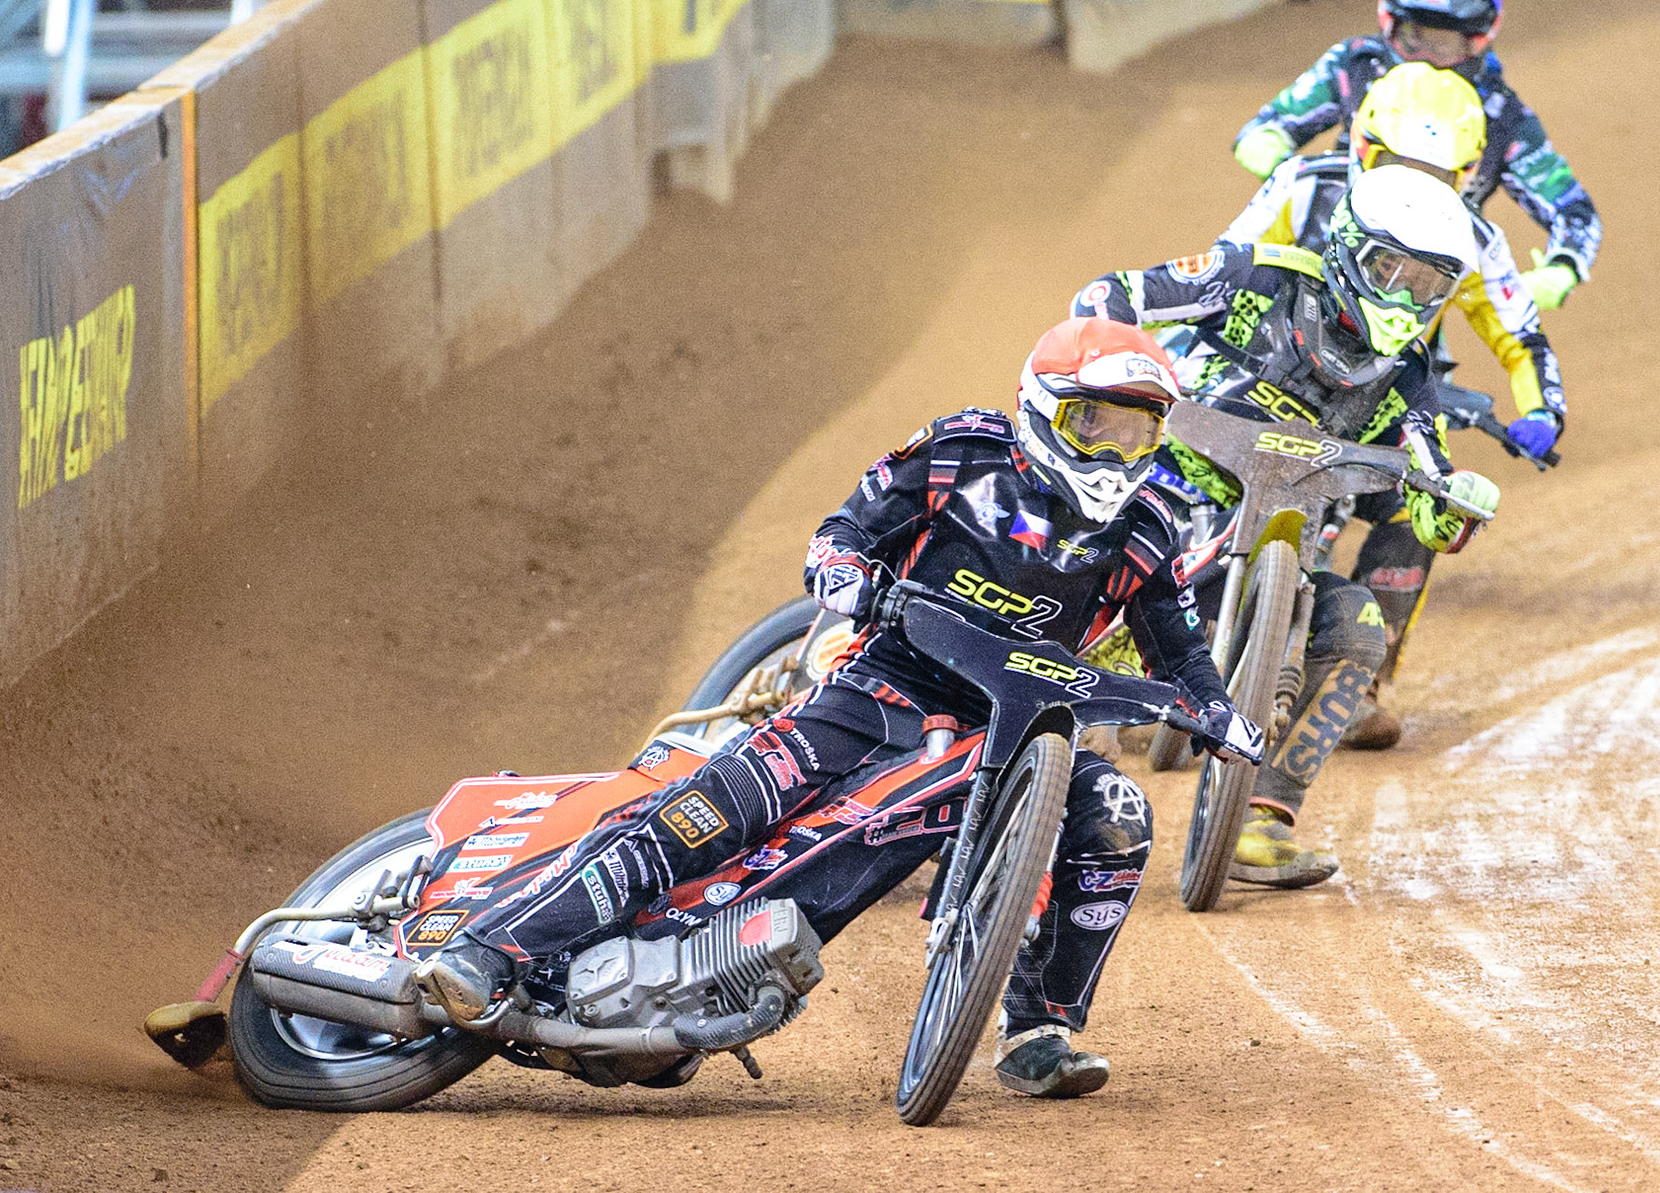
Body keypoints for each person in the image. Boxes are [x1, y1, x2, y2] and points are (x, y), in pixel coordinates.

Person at [416, 317, 1264, 1100]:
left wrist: (1219, 713)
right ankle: (489, 948)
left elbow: (1183, 654)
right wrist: (845, 573)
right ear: (1044, 408)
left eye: (1139, 431)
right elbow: (843, 532)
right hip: (878, 689)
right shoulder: (961, 452)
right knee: (708, 813)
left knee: (1117, 810)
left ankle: (1038, 1027)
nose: (1116, 451)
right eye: (1096, 424)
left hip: (1016, 728)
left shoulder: (1149, 527)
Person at [1072, 164, 1500, 888]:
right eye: (1391, 270)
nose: (1406, 297)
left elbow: (1432, 487)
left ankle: (1258, 819)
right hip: (1162, 487)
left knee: (1358, 629)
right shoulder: (1259, 276)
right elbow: (1112, 294)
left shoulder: (1409, 371)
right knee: (1063, 564)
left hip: (1286, 532)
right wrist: (1109, 361)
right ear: (1347, 247)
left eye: (1428, 285)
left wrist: (1456, 502)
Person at [1223, 59, 1566, 749]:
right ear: (1362, 145)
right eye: (1400, 163)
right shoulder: (1304, 185)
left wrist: (1543, 409)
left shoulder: (1472, 238)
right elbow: (1230, 266)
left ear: (1466, 174)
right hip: (1268, 380)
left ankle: (1353, 685)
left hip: (1384, 405)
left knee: (1419, 508)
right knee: (1175, 483)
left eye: (1439, 174)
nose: (1420, 183)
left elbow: (1519, 333)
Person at [1232, 0, 1600, 323]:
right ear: (1390, 23)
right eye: (1415, 36)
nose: (1426, 56)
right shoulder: (1357, 64)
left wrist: (1562, 266)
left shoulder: (1503, 117)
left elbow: (1574, 211)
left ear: (1478, 39)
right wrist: (1277, 160)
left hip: (1410, 306)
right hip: (1310, 268)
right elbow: (1267, 127)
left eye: (1444, 44)